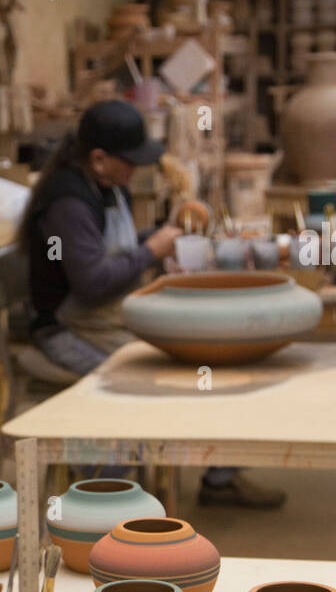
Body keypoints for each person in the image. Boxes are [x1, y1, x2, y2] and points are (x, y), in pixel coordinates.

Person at [20, 100, 285, 509]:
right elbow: (91, 283)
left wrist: (160, 236)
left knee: (204, 359)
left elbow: (113, 246)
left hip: (107, 318)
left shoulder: (108, 185)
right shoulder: (67, 202)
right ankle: (96, 490)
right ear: (99, 158)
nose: (137, 169)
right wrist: (150, 250)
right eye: (130, 161)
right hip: (64, 328)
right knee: (151, 382)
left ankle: (219, 479)